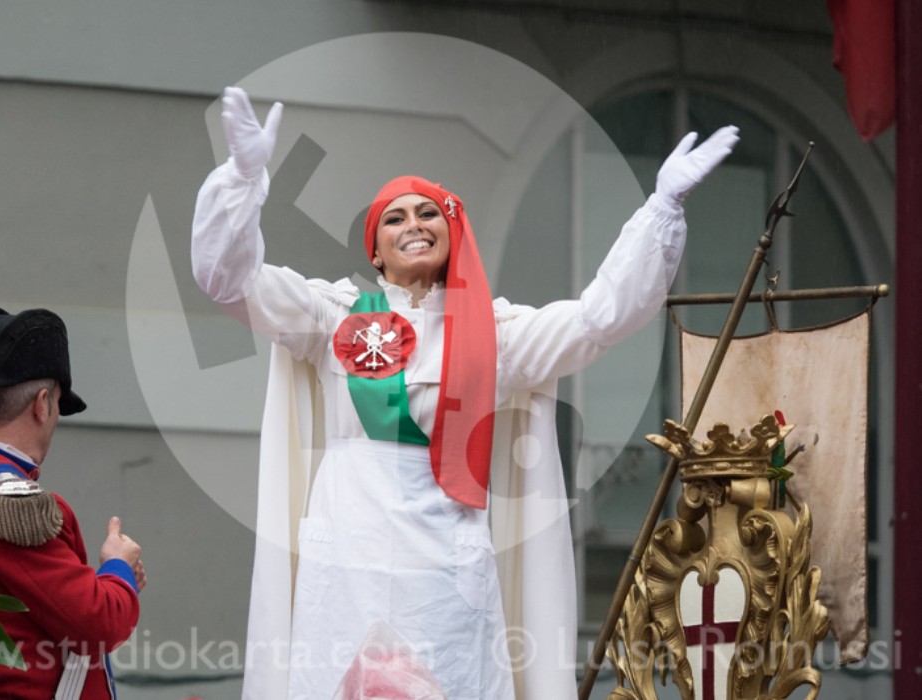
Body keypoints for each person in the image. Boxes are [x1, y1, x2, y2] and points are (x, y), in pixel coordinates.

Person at [191, 86, 739, 699]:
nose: (413, 225)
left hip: (443, 568)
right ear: (376, 252)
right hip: (346, 554)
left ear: (451, 232)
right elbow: (229, 282)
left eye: (428, 213)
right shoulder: (331, 317)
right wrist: (241, 179)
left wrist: (661, 209)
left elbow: (597, 321)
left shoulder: (497, 334)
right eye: (395, 218)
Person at [0, 306, 146, 699]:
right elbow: (100, 625)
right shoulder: (6, 503)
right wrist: (118, 567)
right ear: (41, 404)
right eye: (57, 403)